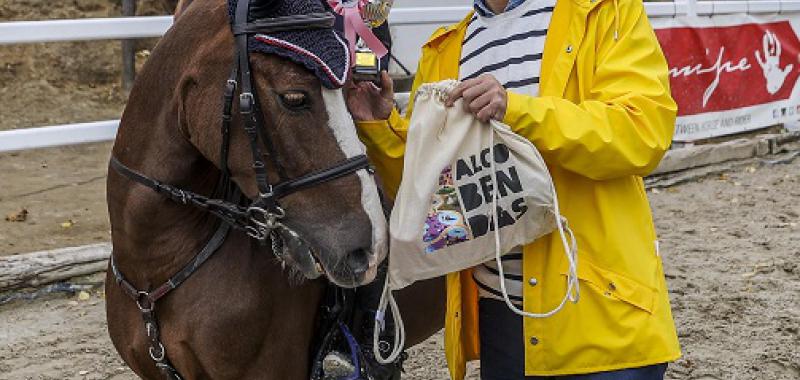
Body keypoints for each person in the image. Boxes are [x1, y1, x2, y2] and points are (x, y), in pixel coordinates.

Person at [345, 0, 681, 379]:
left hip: (601, 314)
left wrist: (517, 110)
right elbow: (435, 197)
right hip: (500, 316)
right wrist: (381, 128)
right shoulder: (445, 49)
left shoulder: (604, 11)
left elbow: (642, 133)